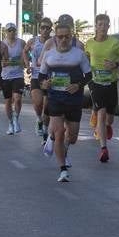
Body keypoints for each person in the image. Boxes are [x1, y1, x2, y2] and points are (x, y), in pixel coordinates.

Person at [37, 17, 92, 182]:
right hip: (55, 98)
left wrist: (78, 85)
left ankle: (56, 140)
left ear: (71, 37)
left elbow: (89, 75)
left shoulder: (79, 54)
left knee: (72, 137)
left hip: (73, 100)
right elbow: (40, 78)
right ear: (55, 38)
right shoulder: (49, 55)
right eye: (60, 37)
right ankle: (62, 170)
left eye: (66, 36)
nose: (63, 40)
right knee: (60, 132)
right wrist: (44, 84)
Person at [83, 13, 119, 162]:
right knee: (102, 112)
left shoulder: (115, 43)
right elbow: (84, 58)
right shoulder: (89, 43)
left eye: (105, 25)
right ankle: (104, 148)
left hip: (111, 82)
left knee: (109, 118)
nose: (103, 27)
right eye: (100, 24)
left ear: (108, 26)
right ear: (96, 26)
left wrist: (115, 64)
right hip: (95, 82)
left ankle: (102, 121)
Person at [1, 23, 28, 134]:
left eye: (13, 30)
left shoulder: (21, 42)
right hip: (6, 76)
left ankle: (16, 119)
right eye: (9, 30)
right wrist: (9, 62)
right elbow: (2, 63)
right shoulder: (2, 44)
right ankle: (10, 123)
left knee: (17, 99)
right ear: (5, 32)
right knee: (8, 101)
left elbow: (25, 60)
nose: (11, 32)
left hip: (18, 75)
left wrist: (12, 62)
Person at [30, 18, 54, 139]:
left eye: (47, 28)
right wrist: (27, 64)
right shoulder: (33, 41)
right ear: (39, 29)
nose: (45, 30)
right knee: (38, 103)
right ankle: (39, 119)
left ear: (51, 29)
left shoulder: (53, 42)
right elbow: (25, 51)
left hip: (48, 77)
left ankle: (45, 131)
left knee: (47, 107)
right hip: (35, 75)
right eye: (43, 27)